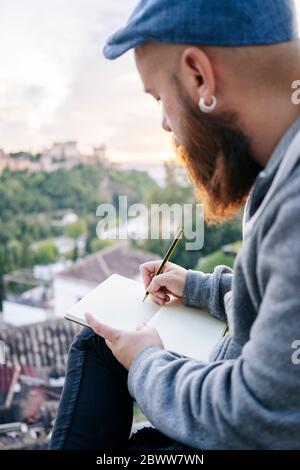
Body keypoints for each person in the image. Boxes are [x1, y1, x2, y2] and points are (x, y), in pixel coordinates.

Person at [50, 0, 300, 450]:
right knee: (102, 337)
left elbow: (256, 416)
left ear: (199, 76)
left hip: (238, 426)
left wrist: (147, 361)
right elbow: (277, 301)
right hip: (233, 389)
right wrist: (200, 288)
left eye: (159, 98)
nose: (165, 123)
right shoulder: (282, 167)